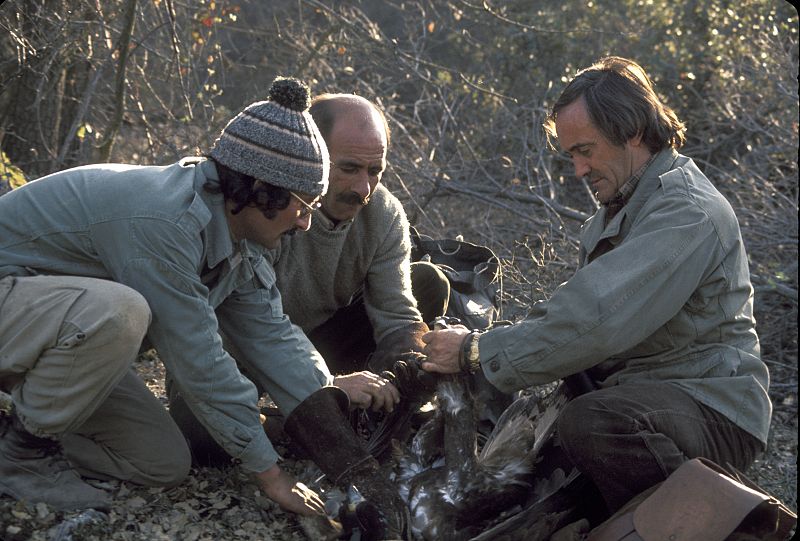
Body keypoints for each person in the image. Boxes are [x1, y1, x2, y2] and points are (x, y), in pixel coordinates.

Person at [0, 78, 405, 535]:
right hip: (15, 305)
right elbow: (198, 358)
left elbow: (273, 337)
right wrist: (270, 475)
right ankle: (22, 454)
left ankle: (21, 424)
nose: (307, 223)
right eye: (301, 205)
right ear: (259, 188)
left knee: (162, 463)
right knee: (122, 310)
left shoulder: (241, 238)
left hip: (53, 335)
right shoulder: (163, 222)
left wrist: (344, 444)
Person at [420, 56, 772, 518]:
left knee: (592, 424)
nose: (579, 170)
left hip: (710, 405)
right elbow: (573, 322)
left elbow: (596, 318)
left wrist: (476, 351)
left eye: (585, 150)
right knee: (526, 468)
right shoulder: (625, 207)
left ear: (631, 132)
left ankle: (722, 521)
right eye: (571, 155)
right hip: (645, 394)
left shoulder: (685, 211)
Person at [271, 93, 449, 381]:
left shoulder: (384, 213)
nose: (363, 188)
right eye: (349, 168)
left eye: (375, 171)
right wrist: (324, 385)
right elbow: (248, 321)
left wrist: (412, 364)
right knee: (199, 421)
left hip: (321, 338)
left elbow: (396, 314)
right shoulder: (270, 201)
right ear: (310, 153)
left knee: (428, 282)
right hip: (250, 341)